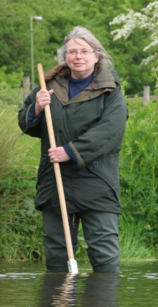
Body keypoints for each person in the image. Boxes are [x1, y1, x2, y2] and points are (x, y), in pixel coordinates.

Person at [18, 26, 128, 273]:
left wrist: (70, 151)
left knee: (104, 252)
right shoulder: (47, 86)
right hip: (55, 180)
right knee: (57, 253)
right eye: (72, 51)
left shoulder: (110, 88)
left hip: (97, 180)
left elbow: (111, 130)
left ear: (96, 55)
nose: (78, 56)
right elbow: (25, 122)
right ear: (65, 57)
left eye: (84, 51)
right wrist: (36, 107)